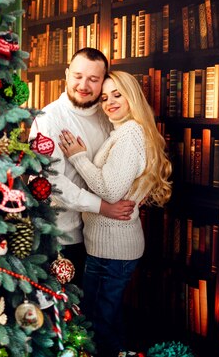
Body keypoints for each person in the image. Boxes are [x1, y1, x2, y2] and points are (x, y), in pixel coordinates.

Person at [58, 70, 172, 357]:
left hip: (113, 251)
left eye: (117, 95)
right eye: (105, 97)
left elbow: (109, 191)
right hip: (109, 246)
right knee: (106, 318)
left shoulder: (131, 134)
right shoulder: (123, 132)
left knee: (99, 323)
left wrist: (78, 158)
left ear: (131, 96)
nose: (109, 102)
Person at [29, 48, 136, 286]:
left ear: (103, 81)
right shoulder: (49, 118)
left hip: (98, 238)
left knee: (89, 315)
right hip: (59, 236)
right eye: (77, 76)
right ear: (67, 75)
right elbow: (50, 183)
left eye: (93, 79)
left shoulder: (108, 114)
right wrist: (104, 207)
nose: (83, 85)